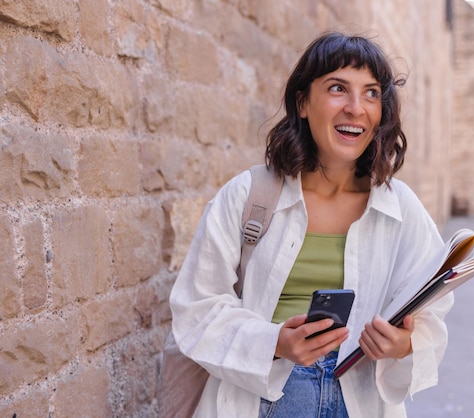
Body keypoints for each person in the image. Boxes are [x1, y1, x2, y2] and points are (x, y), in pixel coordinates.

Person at [169, 31, 454, 418]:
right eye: (338, 88)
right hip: (264, 398)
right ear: (303, 102)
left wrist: (402, 345)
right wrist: (275, 342)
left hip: (360, 400)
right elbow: (196, 306)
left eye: (371, 93)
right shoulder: (248, 196)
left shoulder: (401, 208)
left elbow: (431, 316)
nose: (356, 108)